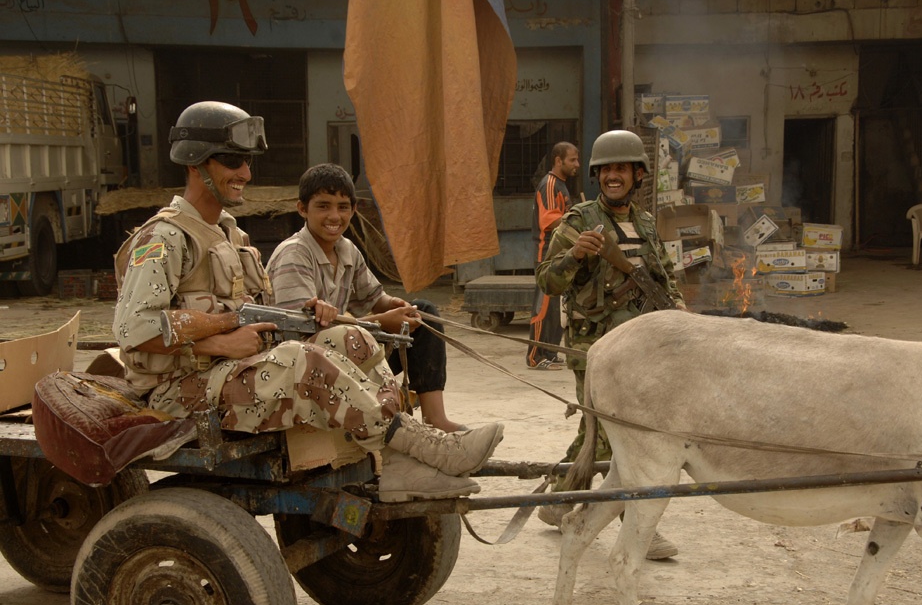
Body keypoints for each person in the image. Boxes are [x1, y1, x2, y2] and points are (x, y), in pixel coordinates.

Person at [112, 101, 503, 502]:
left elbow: (262, 310)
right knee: (302, 360)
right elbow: (133, 329)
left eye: (246, 161)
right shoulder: (165, 237)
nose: (245, 173)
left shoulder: (230, 234)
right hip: (177, 391)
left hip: (228, 371)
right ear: (195, 165)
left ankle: (398, 463)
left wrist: (307, 315)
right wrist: (222, 336)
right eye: (231, 161)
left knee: (354, 339)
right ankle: (429, 449)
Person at [534, 130, 686, 559]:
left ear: (637, 174)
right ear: (597, 175)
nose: (614, 177)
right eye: (607, 170)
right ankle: (635, 525)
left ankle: (558, 500)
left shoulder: (645, 223)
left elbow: (665, 279)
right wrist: (575, 256)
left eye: (622, 169)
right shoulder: (580, 221)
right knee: (608, 435)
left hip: (643, 350)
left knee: (610, 434)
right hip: (595, 345)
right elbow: (548, 279)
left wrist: (679, 317)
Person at [266, 162, 464, 432]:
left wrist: (394, 306)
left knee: (422, 310)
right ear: (302, 209)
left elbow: (375, 298)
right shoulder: (295, 254)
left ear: (353, 209)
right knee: (363, 335)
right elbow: (298, 332)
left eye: (342, 207)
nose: (334, 216)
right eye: (323, 206)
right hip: (304, 363)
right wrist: (382, 322)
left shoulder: (347, 250)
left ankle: (435, 419)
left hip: (341, 351)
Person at [526, 142, 580, 370]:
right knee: (544, 308)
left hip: (560, 254)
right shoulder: (549, 184)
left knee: (557, 310)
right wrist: (577, 217)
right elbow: (548, 220)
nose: (576, 164)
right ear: (558, 161)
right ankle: (535, 356)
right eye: (572, 160)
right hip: (546, 255)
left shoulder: (562, 185)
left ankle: (549, 351)